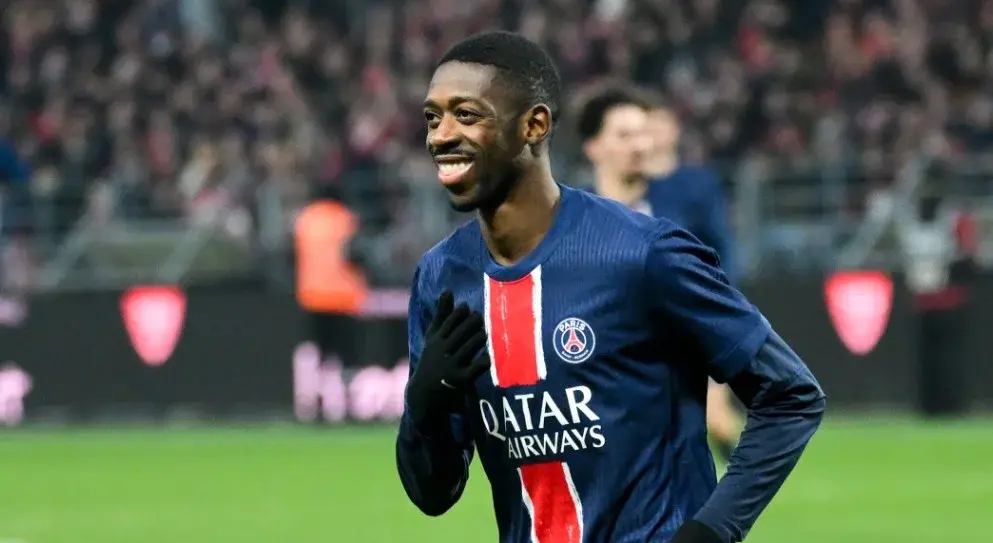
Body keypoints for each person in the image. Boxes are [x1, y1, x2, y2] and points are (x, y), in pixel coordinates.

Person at [395, 31, 826, 543]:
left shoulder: (642, 253)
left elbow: (791, 395)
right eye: (433, 118)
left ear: (534, 125)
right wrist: (426, 401)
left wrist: (711, 530)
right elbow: (433, 494)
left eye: (467, 115)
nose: (441, 136)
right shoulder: (441, 277)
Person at [576, 84, 743, 463]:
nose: (640, 145)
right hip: (603, 374)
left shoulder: (676, 212)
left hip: (681, 359)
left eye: (643, 134)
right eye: (625, 135)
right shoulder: (571, 222)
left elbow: (716, 269)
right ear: (594, 147)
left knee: (709, 433)